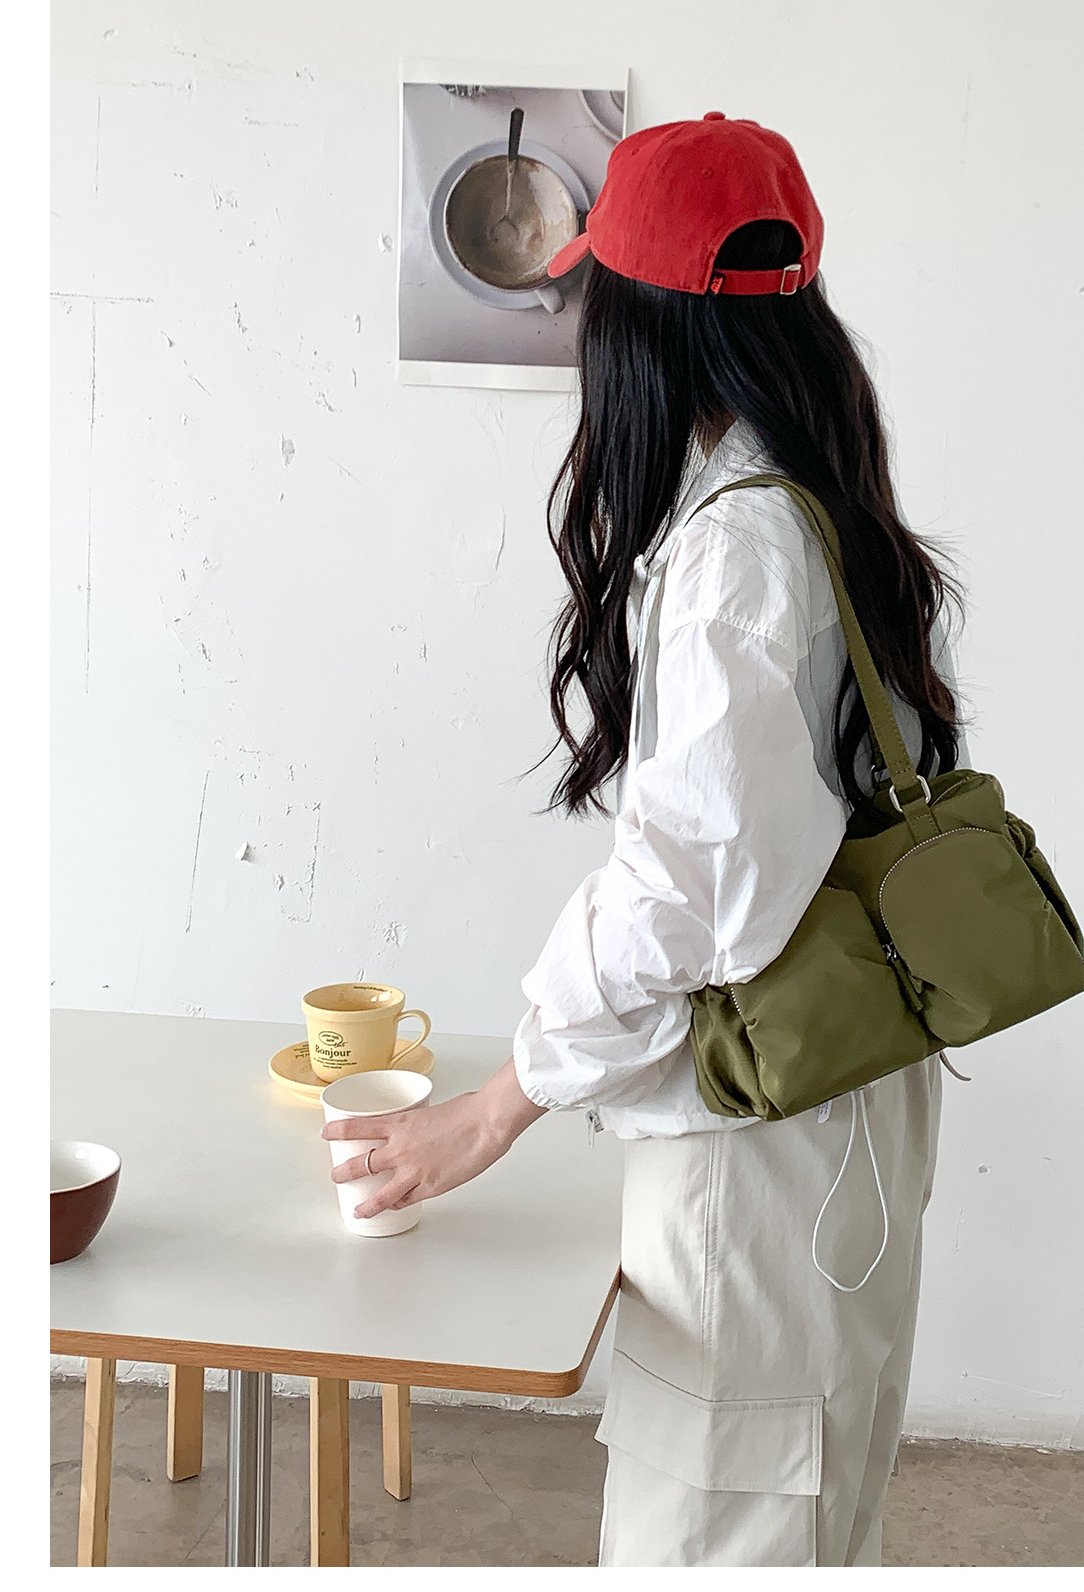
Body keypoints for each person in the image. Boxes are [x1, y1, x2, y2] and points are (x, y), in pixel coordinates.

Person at [323, 111, 967, 1566]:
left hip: (765, 1151)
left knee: (724, 1533)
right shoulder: (823, 499)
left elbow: (689, 891)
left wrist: (495, 1107)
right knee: (810, 1511)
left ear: (645, 324)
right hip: (843, 1107)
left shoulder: (740, 549)